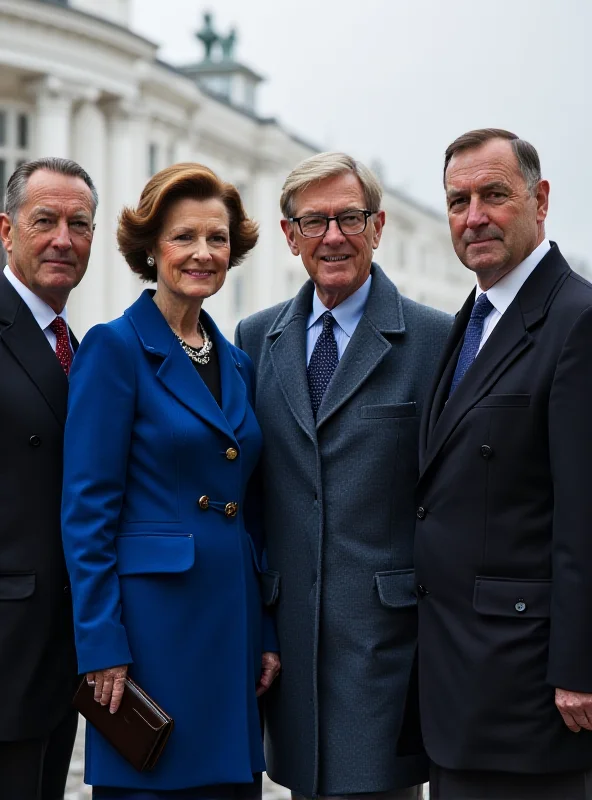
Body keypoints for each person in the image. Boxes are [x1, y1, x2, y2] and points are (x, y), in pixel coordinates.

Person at [235, 152, 452, 800]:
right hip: (291, 647)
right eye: (315, 220)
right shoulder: (253, 338)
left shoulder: (434, 339)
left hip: (389, 648)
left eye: (349, 218)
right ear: (289, 235)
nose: (333, 236)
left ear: (378, 227)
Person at [61, 163, 280, 798]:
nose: (203, 253)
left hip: (232, 622)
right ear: (152, 247)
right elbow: (86, 511)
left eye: (217, 238)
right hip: (151, 632)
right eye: (184, 237)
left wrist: (266, 631)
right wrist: (100, 641)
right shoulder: (114, 347)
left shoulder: (237, 359)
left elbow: (253, 508)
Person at [415, 128, 592, 799]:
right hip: (457, 686)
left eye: (494, 195)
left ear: (540, 200)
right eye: (458, 201)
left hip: (532, 698)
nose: (474, 217)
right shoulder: (472, 317)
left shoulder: (576, 319)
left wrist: (580, 668)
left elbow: (584, 512)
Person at [0, 157, 97, 800]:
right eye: (45, 221)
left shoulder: (82, 348)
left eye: (79, 223)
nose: (64, 238)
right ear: (6, 231)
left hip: (60, 653)